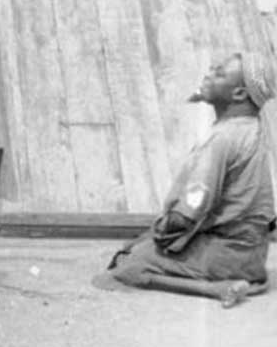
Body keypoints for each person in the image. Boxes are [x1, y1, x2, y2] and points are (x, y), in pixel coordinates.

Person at [105, 52, 275, 308]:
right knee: (141, 247)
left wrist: (155, 239)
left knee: (127, 264)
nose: (208, 74)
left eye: (218, 73)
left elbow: (189, 212)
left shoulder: (221, 139)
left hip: (225, 255)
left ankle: (218, 288)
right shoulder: (252, 129)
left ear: (239, 94)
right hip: (252, 253)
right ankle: (240, 277)